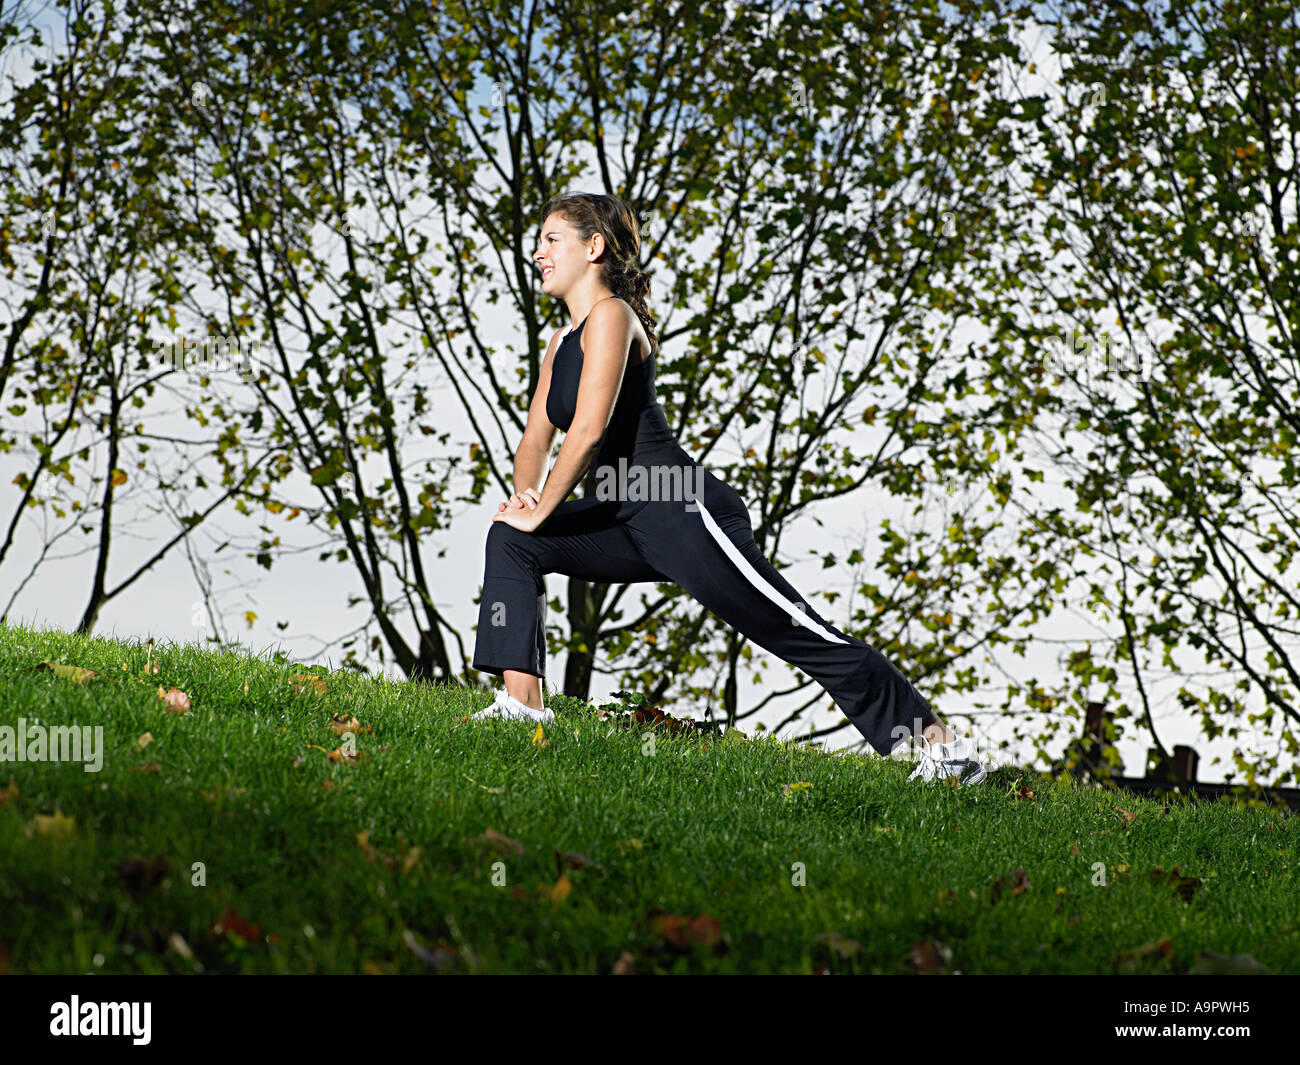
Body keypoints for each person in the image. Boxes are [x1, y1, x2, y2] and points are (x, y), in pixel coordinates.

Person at [469, 192, 984, 785]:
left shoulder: (612, 316)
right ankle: (522, 708)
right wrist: (526, 498)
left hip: (675, 505)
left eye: (551, 239)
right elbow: (536, 440)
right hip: (620, 512)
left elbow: (586, 432)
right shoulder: (560, 343)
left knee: (791, 627)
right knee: (511, 538)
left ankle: (943, 748)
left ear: (593, 247)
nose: (538, 252)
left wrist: (542, 509)